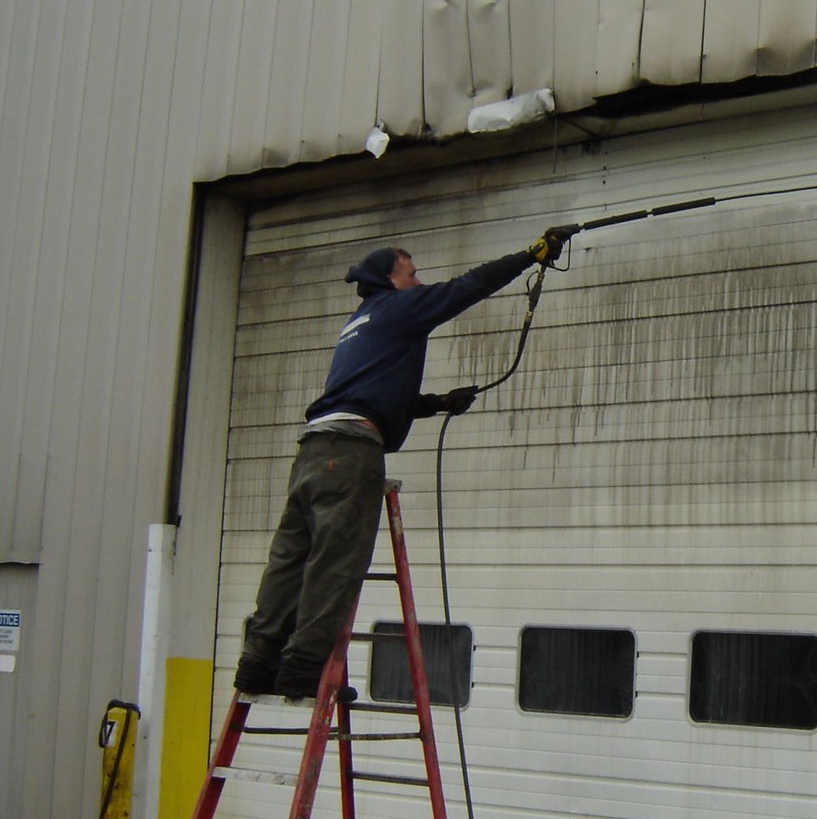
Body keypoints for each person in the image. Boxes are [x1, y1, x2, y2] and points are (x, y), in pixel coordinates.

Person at [234, 228, 574, 699]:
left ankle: (256, 664)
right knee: (334, 564)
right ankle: (305, 669)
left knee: (289, 561)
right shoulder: (400, 307)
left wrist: (435, 402)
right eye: (411, 275)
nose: (418, 282)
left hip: (313, 450)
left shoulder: (362, 320)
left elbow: (371, 391)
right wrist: (528, 256)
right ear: (390, 281)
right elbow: (466, 287)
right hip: (350, 455)